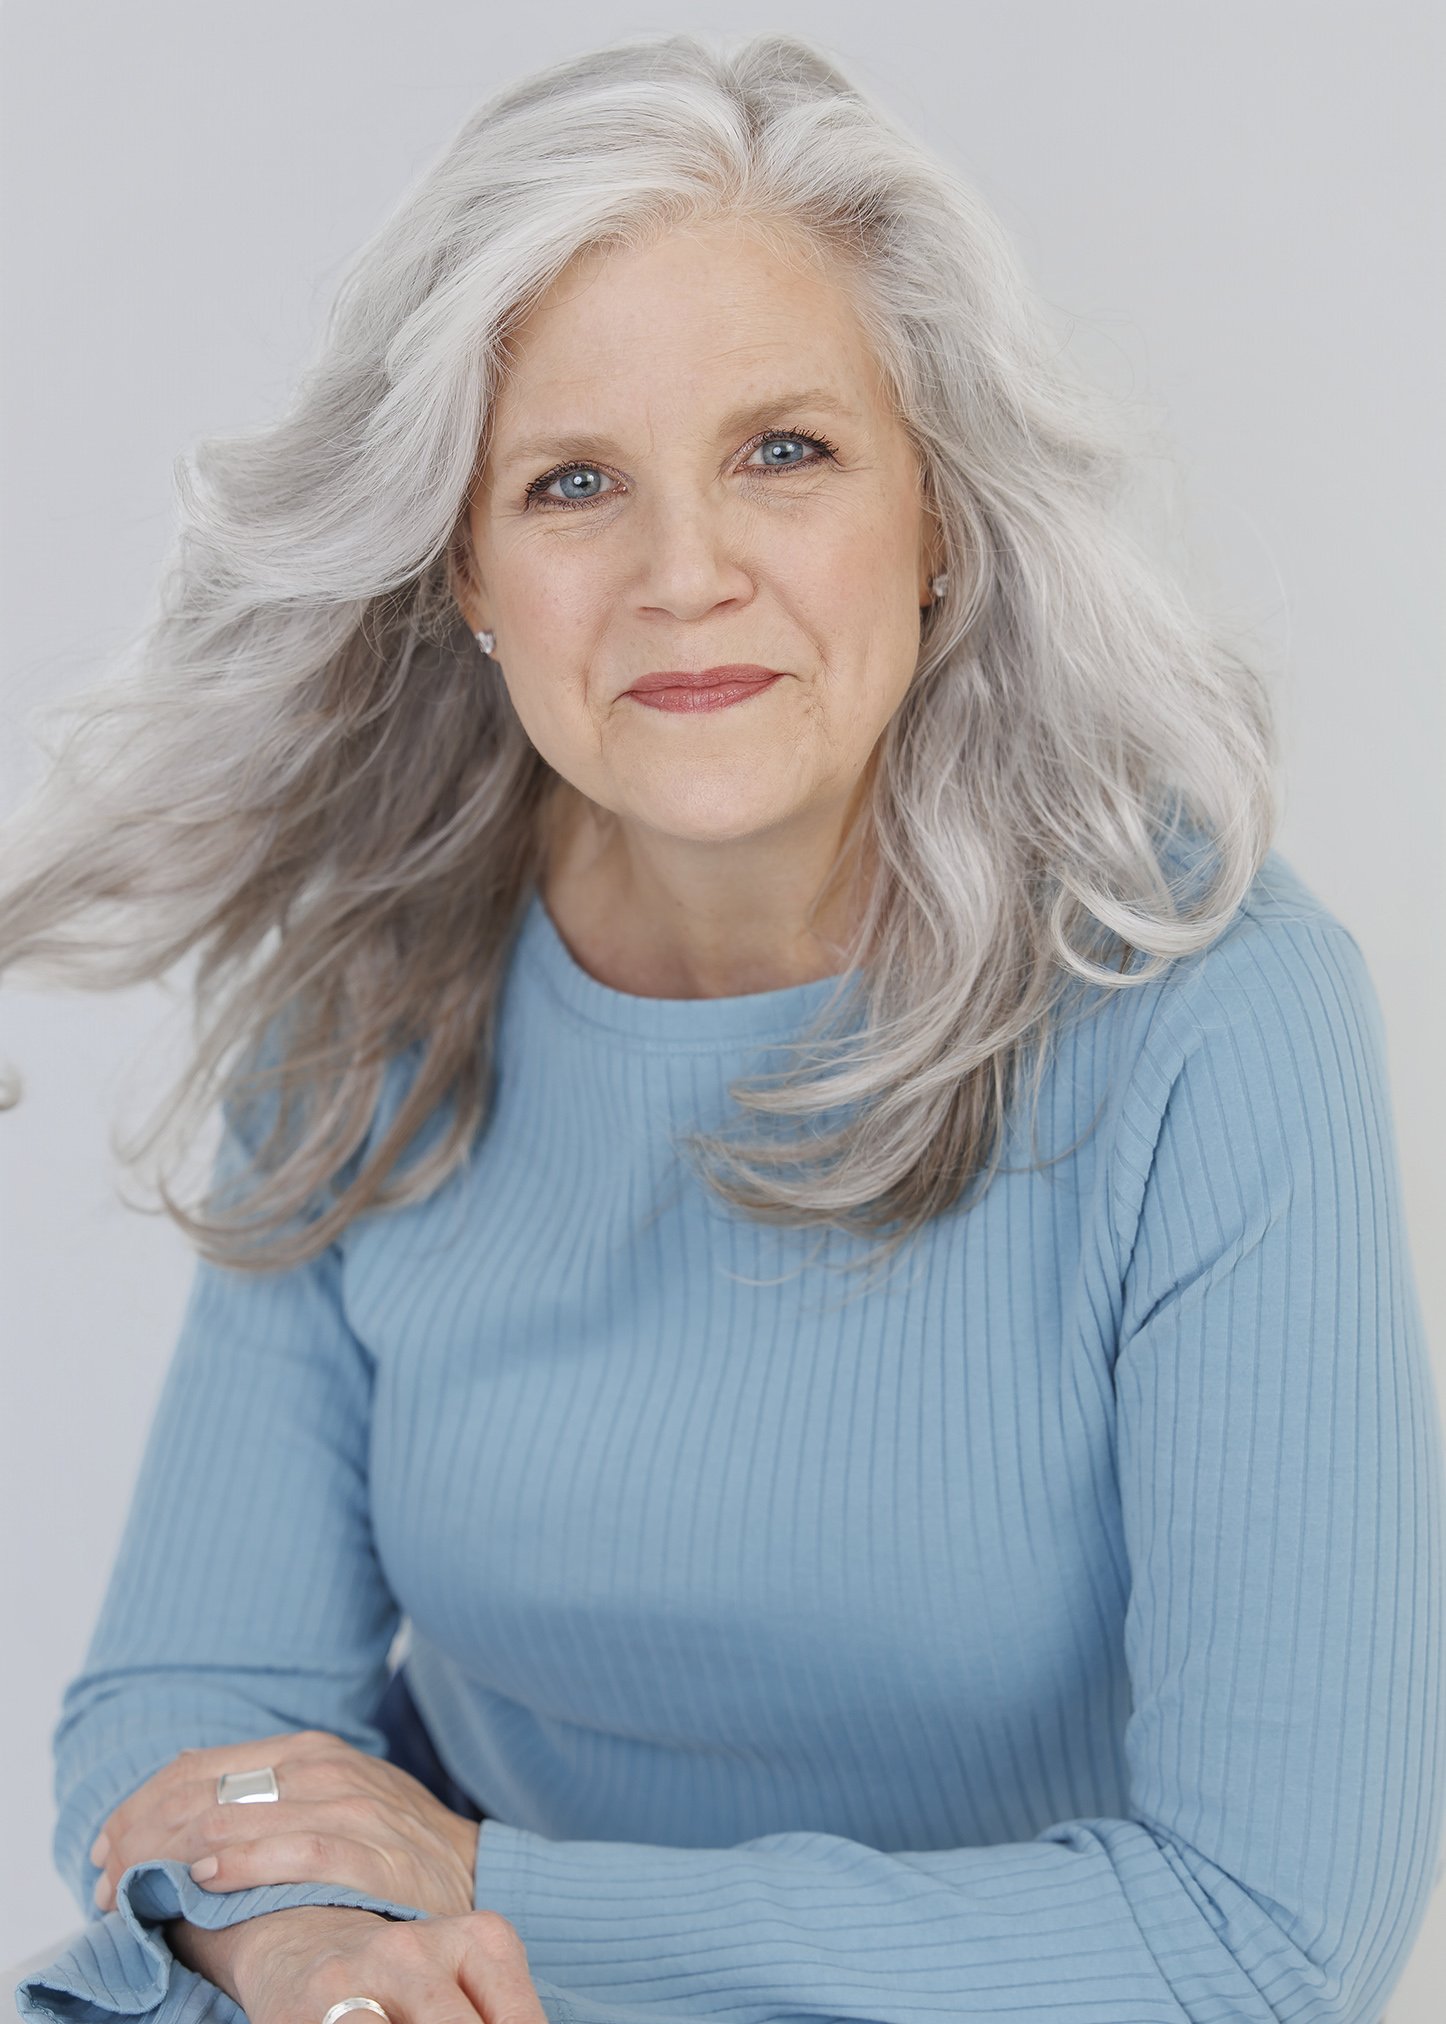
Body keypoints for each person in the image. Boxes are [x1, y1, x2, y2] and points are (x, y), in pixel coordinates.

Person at [8, 28, 1441, 2024]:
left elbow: (1263, 1941)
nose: (685, 577)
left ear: (937, 517)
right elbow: (187, 1709)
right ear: (468, 568)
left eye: (784, 452)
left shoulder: (1213, 1012)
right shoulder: (375, 998)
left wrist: (495, 1891)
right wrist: (319, 1946)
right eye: (573, 483)